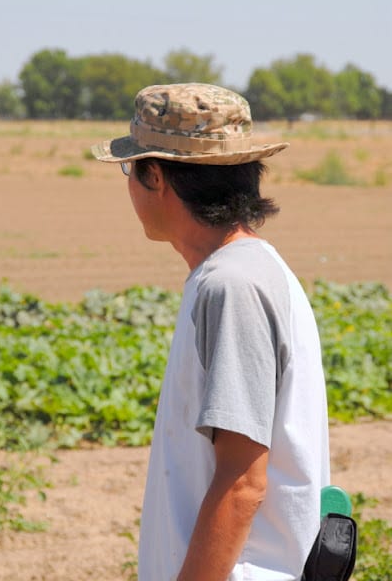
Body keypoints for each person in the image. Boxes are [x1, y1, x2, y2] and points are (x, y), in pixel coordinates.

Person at [91, 83, 330, 581]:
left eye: (128, 168)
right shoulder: (239, 271)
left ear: (155, 175)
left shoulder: (232, 285)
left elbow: (243, 481)